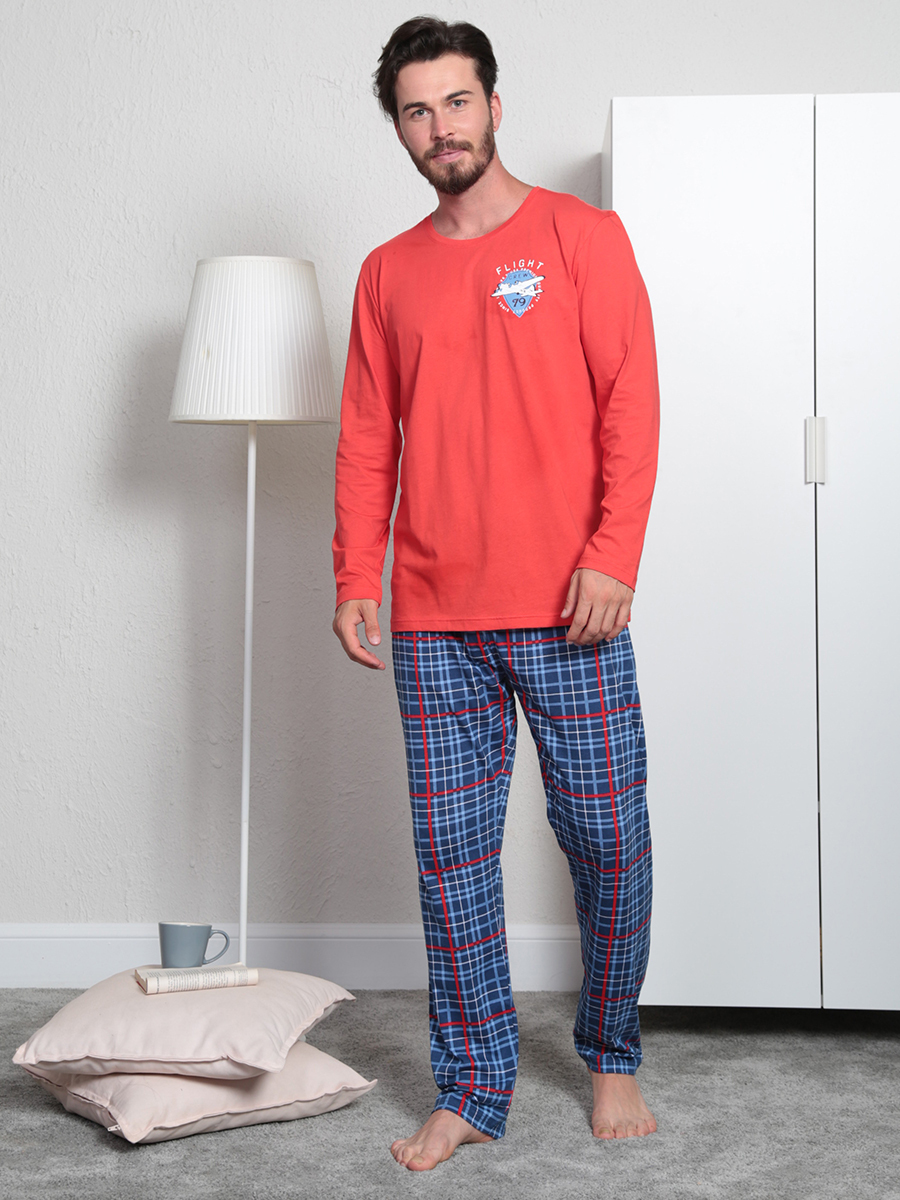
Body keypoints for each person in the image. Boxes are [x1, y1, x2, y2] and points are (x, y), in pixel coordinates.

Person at [332, 16, 660, 1172]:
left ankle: (610, 1051)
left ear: (495, 106)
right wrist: (354, 572)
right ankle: (473, 1086)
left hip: (574, 603)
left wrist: (613, 553)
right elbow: (366, 436)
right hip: (435, 617)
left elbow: (630, 401)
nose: (441, 128)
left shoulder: (583, 238)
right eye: (417, 111)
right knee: (454, 862)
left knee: (608, 839)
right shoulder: (387, 273)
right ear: (401, 129)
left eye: (457, 102)